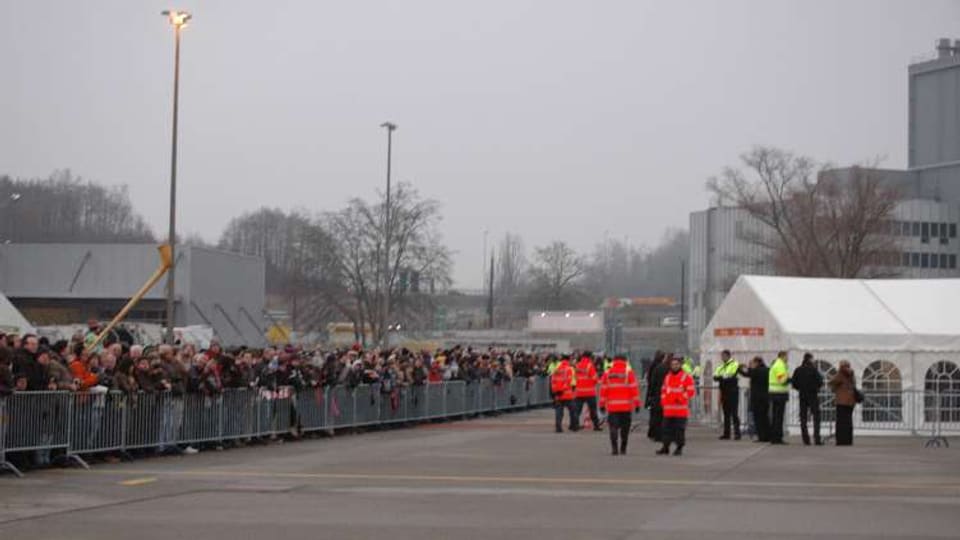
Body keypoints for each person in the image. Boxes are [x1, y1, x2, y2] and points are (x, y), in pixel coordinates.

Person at [599, 355, 640, 455]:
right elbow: (634, 389)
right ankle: (623, 447)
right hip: (626, 407)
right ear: (625, 361)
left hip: (612, 407)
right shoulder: (628, 373)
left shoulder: (607, 373)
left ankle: (614, 448)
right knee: (625, 429)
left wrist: (602, 405)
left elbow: (603, 390)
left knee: (613, 428)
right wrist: (637, 404)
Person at [657, 356, 695, 456]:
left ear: (680, 365)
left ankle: (679, 448)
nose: (674, 366)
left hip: (680, 410)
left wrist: (681, 398)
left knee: (679, 431)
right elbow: (663, 391)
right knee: (666, 430)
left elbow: (690, 391)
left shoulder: (686, 377)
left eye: (676, 364)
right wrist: (663, 401)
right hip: (668, 410)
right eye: (673, 364)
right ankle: (665, 447)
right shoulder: (667, 377)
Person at [791, 353, 824, 445]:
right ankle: (817, 439)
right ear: (810, 359)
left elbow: (794, 383)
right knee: (816, 417)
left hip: (802, 395)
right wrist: (815, 388)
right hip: (813, 395)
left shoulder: (798, 370)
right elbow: (820, 382)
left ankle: (806, 439)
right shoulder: (814, 370)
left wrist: (800, 388)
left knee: (803, 418)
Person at [739, 356, 770, 442]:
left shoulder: (756, 371)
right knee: (765, 418)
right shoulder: (767, 370)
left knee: (758, 418)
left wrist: (740, 369)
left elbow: (746, 374)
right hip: (766, 397)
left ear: (757, 363)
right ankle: (767, 435)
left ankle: (761, 437)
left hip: (757, 398)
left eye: (753, 363)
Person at [713, 350, 741, 440]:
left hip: (732, 391)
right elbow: (715, 377)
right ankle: (726, 433)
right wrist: (723, 377)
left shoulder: (735, 364)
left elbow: (731, 375)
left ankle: (737, 433)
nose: (722, 358)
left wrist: (722, 377)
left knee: (734, 413)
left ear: (728, 356)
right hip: (724, 391)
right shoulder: (721, 366)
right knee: (726, 414)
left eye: (723, 356)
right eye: (722, 356)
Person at [829, 360, 857, 446]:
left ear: (841, 366)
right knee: (848, 421)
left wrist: (834, 386)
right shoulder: (852, 373)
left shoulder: (840, 373)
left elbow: (832, 383)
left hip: (841, 401)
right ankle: (848, 440)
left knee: (840, 422)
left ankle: (841, 441)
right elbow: (854, 384)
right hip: (851, 401)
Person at [574, 354, 602, 431]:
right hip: (589, 392)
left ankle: (575, 426)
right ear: (590, 357)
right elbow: (595, 379)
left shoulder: (578, 365)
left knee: (577, 410)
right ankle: (596, 426)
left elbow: (575, 377)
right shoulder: (590, 366)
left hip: (579, 392)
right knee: (593, 410)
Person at [550, 355, 578, 433]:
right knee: (573, 411)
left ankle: (558, 428)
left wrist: (556, 391)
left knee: (559, 412)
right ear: (568, 360)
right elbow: (568, 381)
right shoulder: (569, 369)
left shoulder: (556, 369)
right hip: (567, 394)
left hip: (558, 395)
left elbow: (553, 381)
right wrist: (562, 390)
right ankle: (574, 426)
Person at [768, 351, 790, 444]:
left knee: (776, 416)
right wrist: (789, 378)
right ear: (783, 356)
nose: (787, 358)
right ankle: (777, 438)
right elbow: (782, 380)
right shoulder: (780, 365)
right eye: (786, 356)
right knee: (778, 417)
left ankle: (775, 437)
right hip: (779, 393)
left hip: (775, 393)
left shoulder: (777, 364)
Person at [646, 351, 667, 441]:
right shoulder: (663, 368)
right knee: (659, 416)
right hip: (660, 395)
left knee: (654, 415)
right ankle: (657, 434)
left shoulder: (653, 366)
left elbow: (651, 381)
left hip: (655, 395)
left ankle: (653, 433)